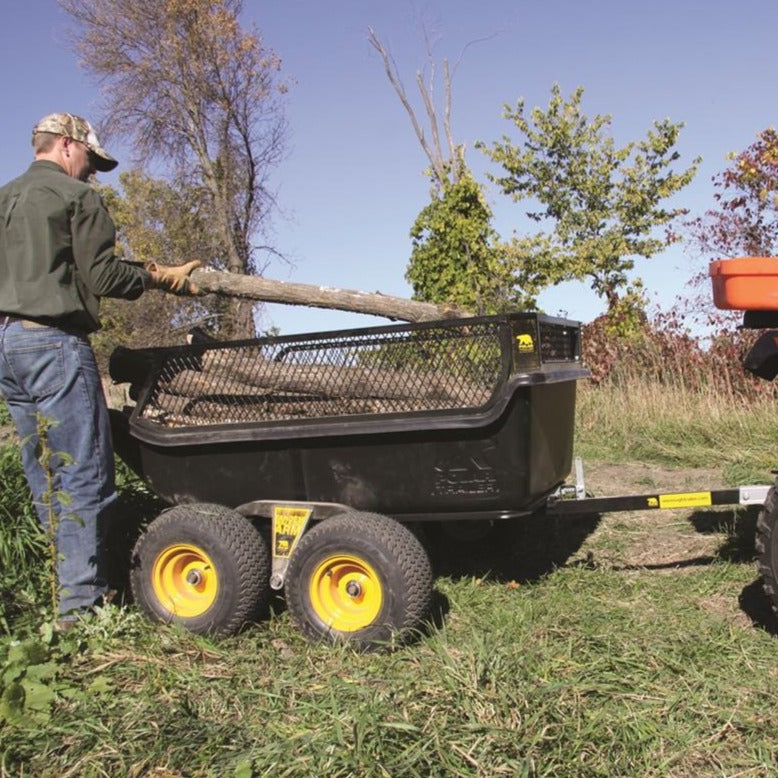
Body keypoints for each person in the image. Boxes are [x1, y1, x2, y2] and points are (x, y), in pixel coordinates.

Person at [0, 112, 199, 628]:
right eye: (90, 159)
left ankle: (65, 590)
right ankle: (81, 609)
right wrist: (159, 277)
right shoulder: (77, 198)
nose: (92, 172)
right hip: (53, 343)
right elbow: (105, 274)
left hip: (7, 347)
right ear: (67, 145)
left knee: (45, 474)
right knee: (84, 471)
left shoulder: (5, 197)